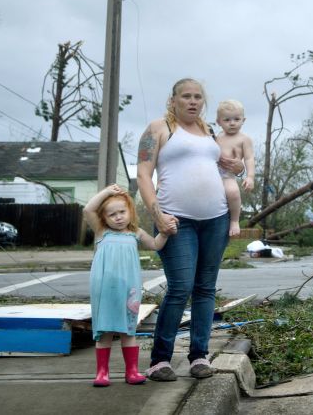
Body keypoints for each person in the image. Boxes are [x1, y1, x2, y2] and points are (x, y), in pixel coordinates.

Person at [137, 78, 243, 382]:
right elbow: (144, 175)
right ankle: (160, 360)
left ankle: (199, 355)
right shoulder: (159, 128)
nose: (193, 101)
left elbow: (223, 167)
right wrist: (157, 215)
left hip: (216, 219)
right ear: (174, 100)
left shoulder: (210, 132)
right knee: (180, 287)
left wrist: (238, 169)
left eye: (198, 97)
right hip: (176, 221)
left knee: (205, 288)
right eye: (186, 96)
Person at [83, 184, 172, 387]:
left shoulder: (135, 233)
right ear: (104, 218)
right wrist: (107, 192)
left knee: (128, 330)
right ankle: (102, 373)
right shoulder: (101, 232)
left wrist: (165, 233)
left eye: (122, 212)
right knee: (104, 330)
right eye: (111, 214)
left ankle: (132, 371)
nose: (118, 217)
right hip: (104, 288)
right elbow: (88, 209)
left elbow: (156, 245)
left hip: (128, 288)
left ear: (130, 212)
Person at [215, 99, 255, 237]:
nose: (232, 123)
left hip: (227, 175)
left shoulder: (244, 139)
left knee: (233, 192)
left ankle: (234, 220)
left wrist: (250, 177)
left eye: (236, 119)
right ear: (218, 121)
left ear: (243, 120)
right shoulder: (216, 137)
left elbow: (249, 158)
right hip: (212, 174)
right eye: (227, 120)